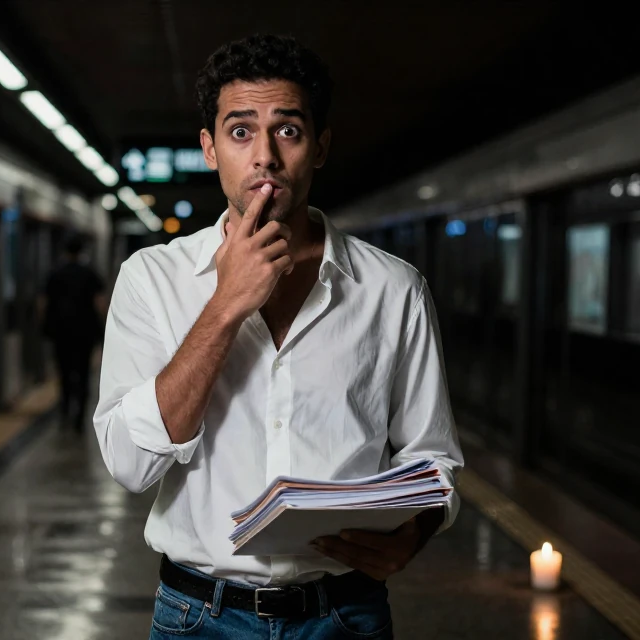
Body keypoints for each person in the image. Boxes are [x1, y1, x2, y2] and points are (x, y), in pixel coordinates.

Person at [94, 34, 463, 639]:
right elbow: (131, 465)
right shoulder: (151, 279)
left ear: (320, 147)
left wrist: (415, 532)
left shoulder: (394, 289)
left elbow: (431, 457)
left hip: (345, 614)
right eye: (240, 131)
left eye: (287, 130)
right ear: (210, 149)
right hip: (198, 618)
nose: (264, 156)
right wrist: (224, 306)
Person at [43, 234, 105, 431]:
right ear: (81, 252)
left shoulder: (55, 273)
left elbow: (43, 303)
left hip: (60, 332)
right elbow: (100, 303)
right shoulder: (90, 274)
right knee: (83, 372)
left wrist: (45, 326)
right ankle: (80, 418)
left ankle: (64, 412)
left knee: (64, 372)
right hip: (85, 332)